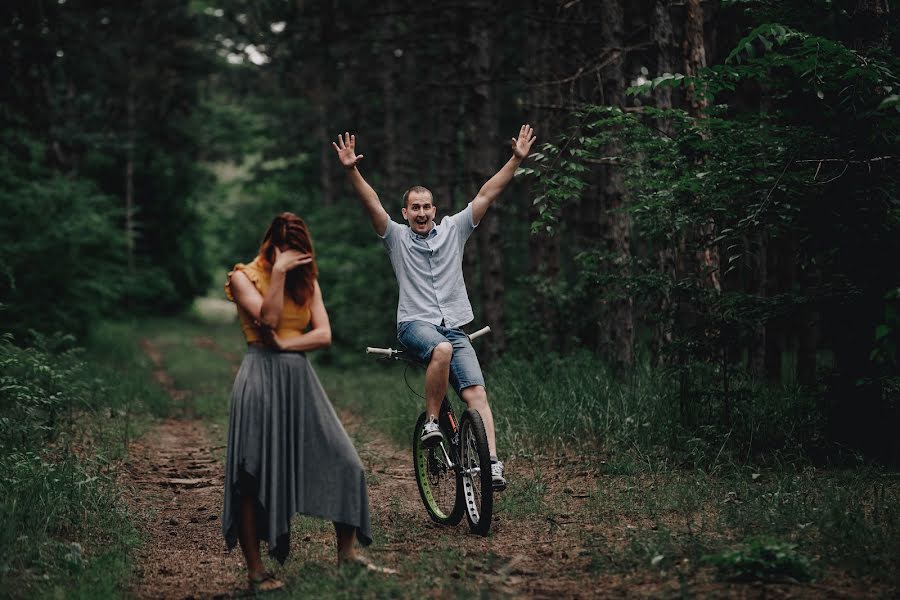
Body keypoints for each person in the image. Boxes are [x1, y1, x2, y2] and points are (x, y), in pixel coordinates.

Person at [332, 124, 536, 491]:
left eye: (427, 206)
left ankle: (490, 463)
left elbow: (488, 192)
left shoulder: (454, 230)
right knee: (439, 350)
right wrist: (351, 170)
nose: (421, 212)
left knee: (476, 395)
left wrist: (516, 160)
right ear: (406, 212)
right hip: (414, 325)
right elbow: (371, 202)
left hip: (454, 326)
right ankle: (431, 423)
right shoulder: (395, 238)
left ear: (435, 210)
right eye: (415, 208)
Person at [222, 212, 389, 592]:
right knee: (251, 475)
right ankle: (255, 571)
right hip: (259, 379)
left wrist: (286, 344)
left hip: (299, 378)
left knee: (346, 460)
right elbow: (267, 317)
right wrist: (277, 275)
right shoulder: (242, 277)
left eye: (298, 252)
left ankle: (347, 556)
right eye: (285, 252)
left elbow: (324, 334)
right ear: (271, 246)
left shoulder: (307, 283)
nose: (292, 258)